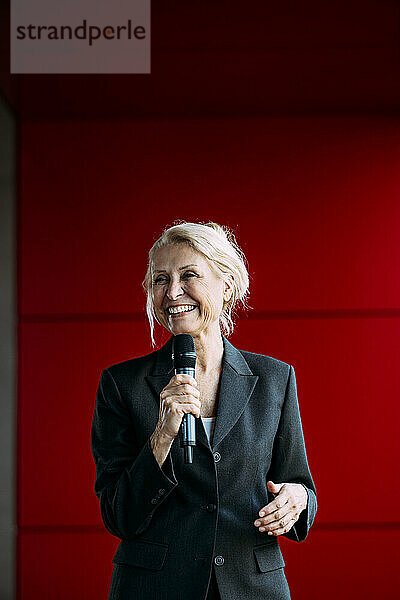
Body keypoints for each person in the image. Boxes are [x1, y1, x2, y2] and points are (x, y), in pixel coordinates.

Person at [91, 221, 317, 600]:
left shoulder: (275, 378)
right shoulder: (121, 384)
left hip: (253, 587)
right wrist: (162, 435)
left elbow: (300, 485)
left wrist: (297, 499)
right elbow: (119, 515)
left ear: (226, 285)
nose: (173, 291)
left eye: (189, 274)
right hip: (154, 588)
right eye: (160, 280)